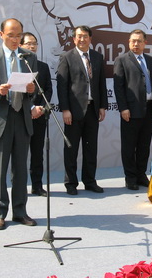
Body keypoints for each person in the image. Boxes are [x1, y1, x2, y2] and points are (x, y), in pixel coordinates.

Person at [0, 18, 38, 230]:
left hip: (22, 118)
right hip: (0, 118)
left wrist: (31, 90)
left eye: (19, 35)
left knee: (20, 170)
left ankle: (20, 212)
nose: (15, 39)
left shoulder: (29, 57)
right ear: (1, 34)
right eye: (11, 35)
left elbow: (33, 89)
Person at [56, 25, 108, 195]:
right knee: (71, 149)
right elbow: (62, 86)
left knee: (91, 148)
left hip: (93, 110)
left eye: (85, 36)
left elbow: (101, 83)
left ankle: (90, 181)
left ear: (90, 39)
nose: (82, 39)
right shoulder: (66, 57)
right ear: (74, 39)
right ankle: (71, 183)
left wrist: (102, 106)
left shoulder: (97, 57)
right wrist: (65, 109)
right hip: (74, 111)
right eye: (79, 36)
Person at [113, 29, 152, 190]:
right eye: (133, 41)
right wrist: (123, 108)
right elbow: (119, 87)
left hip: (149, 108)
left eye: (139, 41)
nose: (136, 44)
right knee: (129, 146)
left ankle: (141, 175)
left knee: (144, 145)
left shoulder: (150, 60)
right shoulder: (121, 60)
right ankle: (130, 177)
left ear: (145, 43)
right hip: (131, 110)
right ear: (129, 42)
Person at [21, 32, 53, 196]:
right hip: (21, 116)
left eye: (34, 43)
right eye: (28, 43)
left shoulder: (43, 66)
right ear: (21, 46)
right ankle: (19, 188)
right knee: (20, 154)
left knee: (37, 153)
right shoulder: (16, 66)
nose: (32, 46)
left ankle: (37, 185)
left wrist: (40, 108)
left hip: (39, 116)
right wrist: (30, 107)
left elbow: (48, 89)